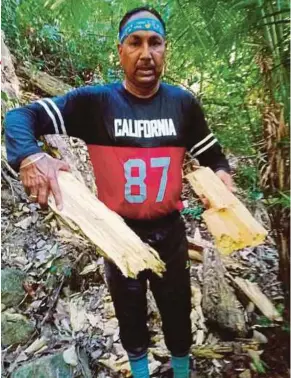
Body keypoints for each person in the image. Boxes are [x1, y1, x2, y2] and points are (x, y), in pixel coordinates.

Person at [5, 6, 234, 378]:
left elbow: (214, 157)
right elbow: (19, 117)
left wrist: (222, 177)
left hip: (172, 233)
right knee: (130, 317)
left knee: (177, 311)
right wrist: (31, 156)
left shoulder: (183, 104)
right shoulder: (95, 104)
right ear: (120, 51)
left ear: (165, 50)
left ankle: (181, 371)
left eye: (155, 43)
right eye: (136, 42)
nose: (146, 53)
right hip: (117, 234)